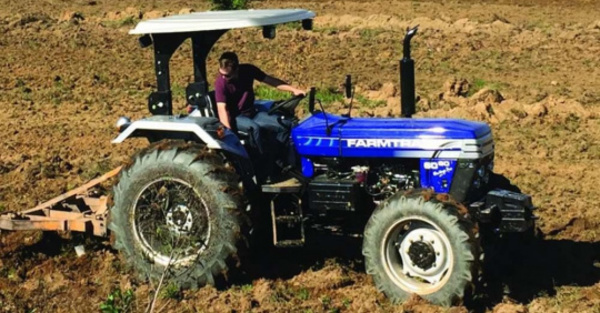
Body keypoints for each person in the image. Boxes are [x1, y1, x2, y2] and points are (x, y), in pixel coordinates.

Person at [214, 52, 305, 155]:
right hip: (236, 116)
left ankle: (281, 158)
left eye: (227, 75)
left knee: (283, 126)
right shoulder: (220, 83)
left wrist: (293, 89)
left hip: (251, 112)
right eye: (221, 74)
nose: (223, 77)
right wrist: (228, 131)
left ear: (237, 69)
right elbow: (222, 109)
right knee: (254, 129)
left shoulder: (248, 70)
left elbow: (270, 81)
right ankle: (261, 162)